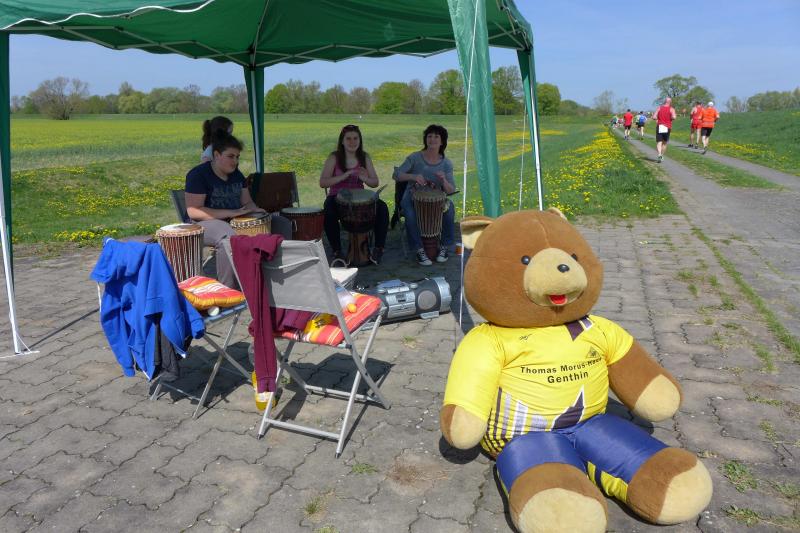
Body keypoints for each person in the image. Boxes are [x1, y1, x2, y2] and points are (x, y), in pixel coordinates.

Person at [185, 131, 266, 288]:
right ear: (216, 155)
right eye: (231, 156)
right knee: (227, 236)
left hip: (234, 219)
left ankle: (270, 277)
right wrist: (231, 213)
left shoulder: (237, 175)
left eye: (237, 157)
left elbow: (247, 202)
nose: (235, 161)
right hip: (201, 224)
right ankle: (228, 288)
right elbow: (194, 211)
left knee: (280, 222)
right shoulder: (198, 175)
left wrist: (258, 212)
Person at [320, 124, 389, 265]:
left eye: (355, 138)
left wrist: (364, 178)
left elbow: (375, 182)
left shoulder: (364, 157)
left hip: (360, 199)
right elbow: (323, 182)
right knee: (328, 211)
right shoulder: (334, 157)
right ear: (342, 141)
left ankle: (379, 249)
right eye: (348, 138)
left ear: (360, 140)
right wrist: (343, 176)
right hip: (337, 197)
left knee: (382, 208)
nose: (352, 142)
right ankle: (337, 251)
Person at [395, 124, 457, 266]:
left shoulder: (446, 163)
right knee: (410, 214)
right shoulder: (415, 158)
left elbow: (450, 190)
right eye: (429, 136)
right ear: (425, 139)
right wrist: (413, 176)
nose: (432, 139)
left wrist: (444, 180)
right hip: (412, 196)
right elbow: (396, 174)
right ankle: (419, 250)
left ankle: (444, 247)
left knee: (450, 209)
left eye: (436, 136)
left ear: (442, 141)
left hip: (436, 200)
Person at [652, 97, 677, 163]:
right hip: (667, 126)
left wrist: (657, 119)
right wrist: (671, 118)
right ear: (670, 102)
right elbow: (674, 117)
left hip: (660, 126)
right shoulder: (672, 109)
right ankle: (662, 155)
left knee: (659, 142)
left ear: (664, 101)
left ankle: (659, 154)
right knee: (664, 143)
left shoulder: (659, 108)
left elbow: (654, 117)